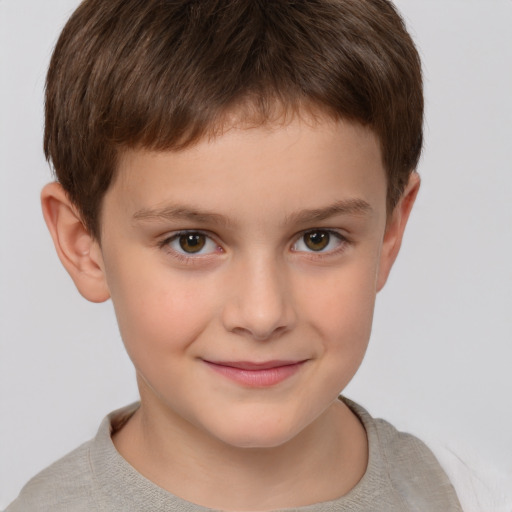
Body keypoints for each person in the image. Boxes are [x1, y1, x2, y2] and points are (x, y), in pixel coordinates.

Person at [6, 0, 463, 510]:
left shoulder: (464, 491)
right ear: (83, 244)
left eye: (318, 238)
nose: (263, 315)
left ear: (389, 234)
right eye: (191, 241)